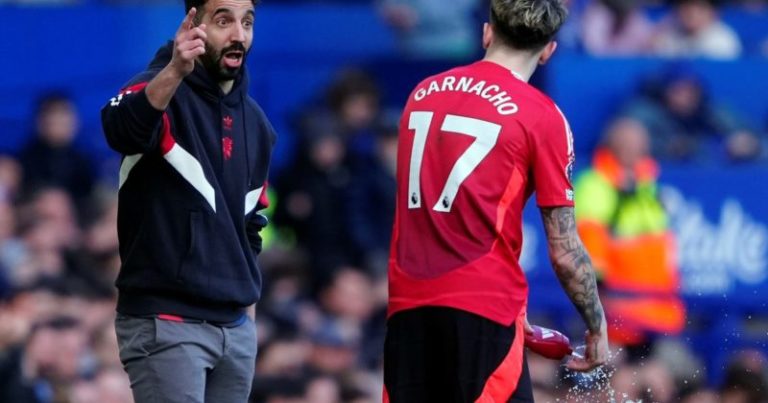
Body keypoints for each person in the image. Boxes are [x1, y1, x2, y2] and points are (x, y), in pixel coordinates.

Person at [384, 0, 608, 401]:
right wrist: (596, 325)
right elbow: (564, 251)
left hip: (408, 305)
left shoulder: (422, 92)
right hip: (484, 305)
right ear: (548, 50)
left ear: (487, 31)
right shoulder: (542, 116)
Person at [100, 1, 276, 402]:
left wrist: (246, 318)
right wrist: (177, 70)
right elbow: (119, 128)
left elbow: (251, 228)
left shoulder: (258, 124)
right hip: (167, 322)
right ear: (192, 24)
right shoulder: (155, 89)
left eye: (247, 22)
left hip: (235, 331)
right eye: (223, 20)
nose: (239, 35)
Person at [574, 119, 685, 354]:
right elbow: (591, 245)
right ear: (613, 146)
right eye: (628, 144)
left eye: (639, 144)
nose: (636, 150)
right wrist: (597, 305)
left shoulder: (648, 185)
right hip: (618, 313)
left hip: (659, 312)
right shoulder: (596, 184)